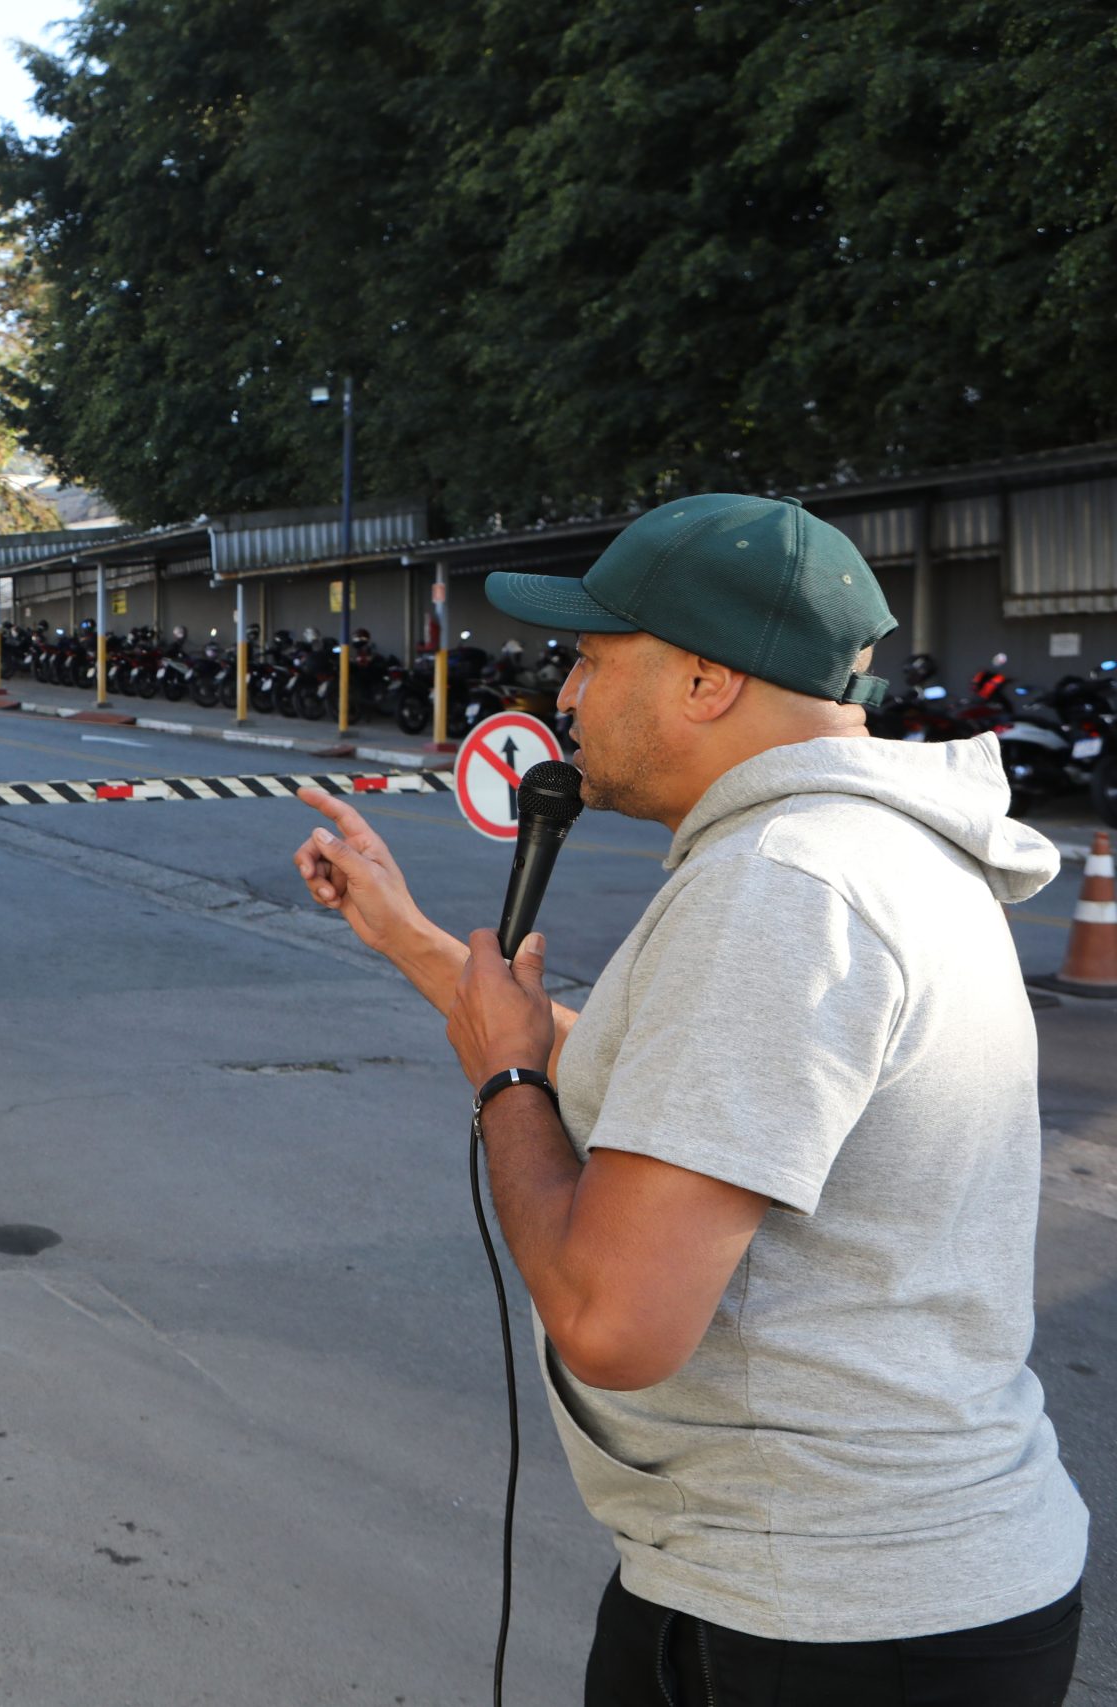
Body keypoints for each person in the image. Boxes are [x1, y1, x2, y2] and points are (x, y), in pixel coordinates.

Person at [292, 494, 1087, 1705]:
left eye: (596, 660)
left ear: (706, 680)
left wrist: (504, 1082)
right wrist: (404, 937)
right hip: (877, 1587)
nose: (562, 697)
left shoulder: (781, 887)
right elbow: (689, 1103)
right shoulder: (873, 849)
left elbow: (614, 1323)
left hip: (812, 1617)